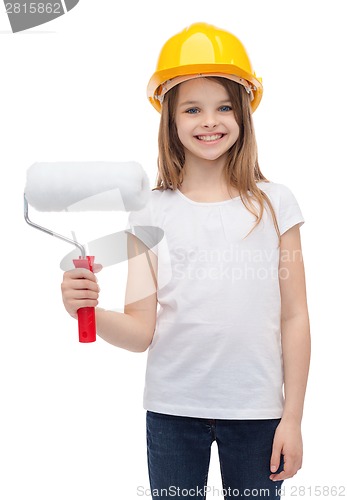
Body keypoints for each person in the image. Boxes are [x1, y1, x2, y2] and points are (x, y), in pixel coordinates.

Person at [61, 22, 311, 500]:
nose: (209, 121)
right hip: (174, 412)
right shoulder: (150, 211)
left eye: (223, 107)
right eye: (192, 108)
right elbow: (140, 330)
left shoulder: (277, 204)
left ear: (243, 115)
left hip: (258, 413)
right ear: (170, 120)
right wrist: (87, 309)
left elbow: (295, 315)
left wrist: (293, 417)